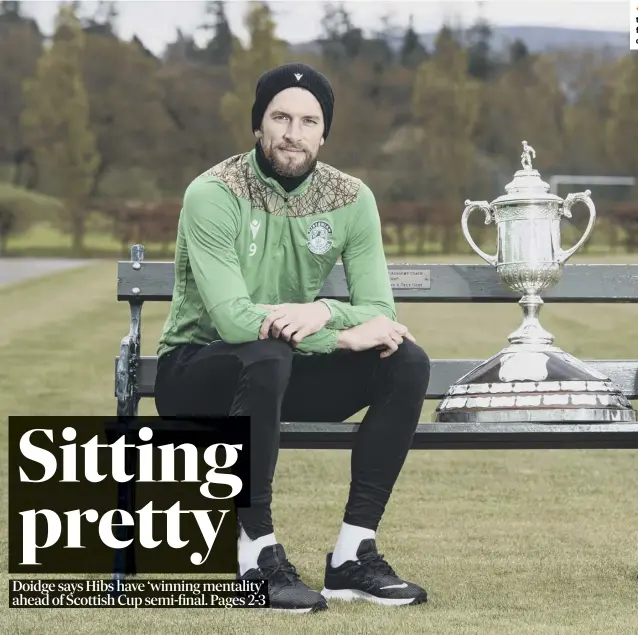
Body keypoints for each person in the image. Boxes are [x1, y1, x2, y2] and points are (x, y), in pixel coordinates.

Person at [153, 62, 431, 613]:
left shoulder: (352, 198)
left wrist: (323, 311)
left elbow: (379, 312)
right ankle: (255, 553)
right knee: (266, 354)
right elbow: (234, 321)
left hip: (281, 370)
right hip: (198, 375)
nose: (293, 132)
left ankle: (354, 554)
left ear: (324, 132)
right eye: (280, 117)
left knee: (406, 362)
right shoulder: (212, 192)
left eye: (309, 121)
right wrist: (335, 337)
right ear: (259, 125)